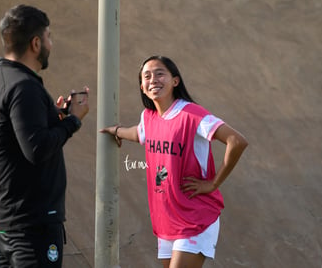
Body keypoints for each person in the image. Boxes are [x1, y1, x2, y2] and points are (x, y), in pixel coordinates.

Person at [100, 55, 248, 268]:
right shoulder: (149, 117)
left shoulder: (191, 114)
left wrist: (213, 183)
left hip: (196, 215)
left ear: (175, 81)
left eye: (160, 73)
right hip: (167, 218)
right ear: (142, 86)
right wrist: (116, 131)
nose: (153, 80)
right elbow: (139, 133)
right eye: (147, 76)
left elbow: (237, 141)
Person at [0, 4, 89, 267]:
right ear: (36, 43)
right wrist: (73, 120)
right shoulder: (24, 87)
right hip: (31, 226)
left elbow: (15, 137)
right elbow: (36, 149)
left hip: (6, 222)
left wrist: (52, 116)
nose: (51, 43)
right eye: (49, 37)